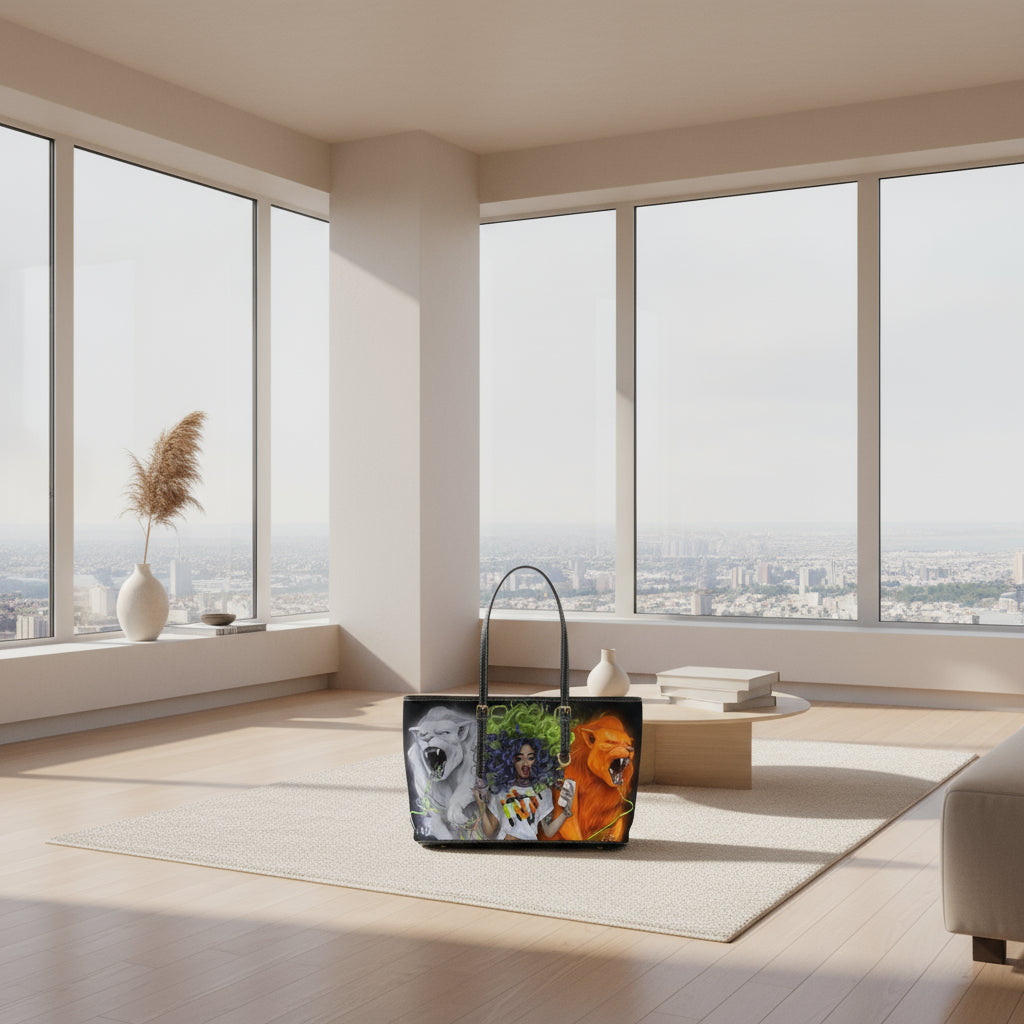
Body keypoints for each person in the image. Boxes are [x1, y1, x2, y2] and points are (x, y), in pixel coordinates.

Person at [473, 738, 575, 841]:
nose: (525, 763)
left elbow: (548, 831)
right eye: (519, 758)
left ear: (537, 760)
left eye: (530, 758)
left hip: (529, 851)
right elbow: (489, 832)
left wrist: (566, 812)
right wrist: (480, 803)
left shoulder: (543, 793)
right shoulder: (501, 791)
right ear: (511, 761)